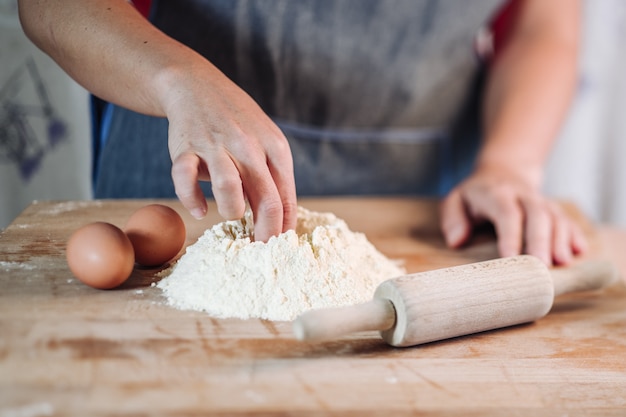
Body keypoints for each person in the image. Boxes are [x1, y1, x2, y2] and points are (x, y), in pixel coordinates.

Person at [18, 0, 587, 265]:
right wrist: (177, 80)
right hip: (179, 163)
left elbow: (545, 23)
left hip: (421, 188)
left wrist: (509, 164)